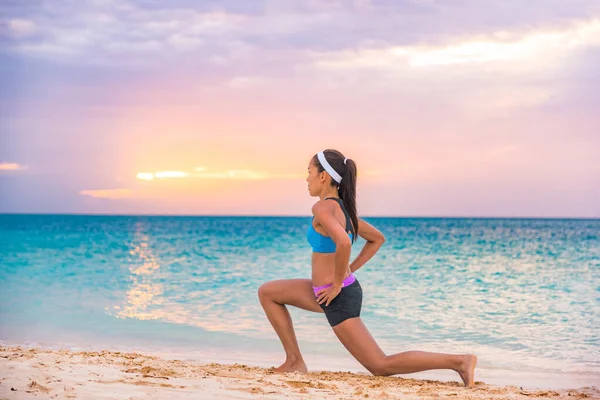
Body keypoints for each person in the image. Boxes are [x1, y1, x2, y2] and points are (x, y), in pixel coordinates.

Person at [258, 149, 477, 387]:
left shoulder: (322, 209)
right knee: (268, 292)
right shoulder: (344, 211)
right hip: (325, 291)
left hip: (336, 296)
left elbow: (343, 242)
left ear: (323, 177)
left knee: (380, 365)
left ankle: (459, 361)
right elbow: (377, 239)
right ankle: (293, 361)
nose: (306, 179)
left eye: (309, 172)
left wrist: (339, 281)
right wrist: (346, 272)